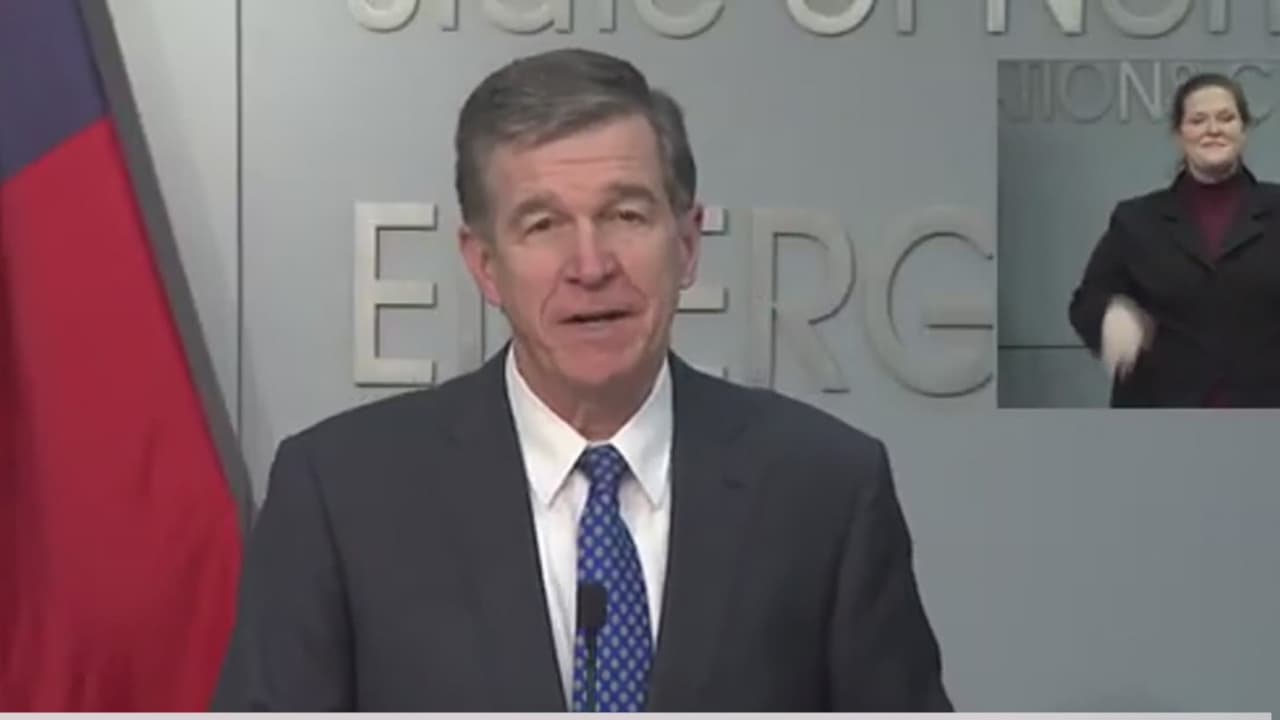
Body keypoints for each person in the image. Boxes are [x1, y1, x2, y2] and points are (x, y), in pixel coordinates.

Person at [212, 48, 951, 712]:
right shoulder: (343, 495)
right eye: (543, 225)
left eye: (625, 215)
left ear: (687, 243)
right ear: (485, 264)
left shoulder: (824, 489)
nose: (591, 266)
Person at [1068, 72, 1280, 408]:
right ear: (1179, 134)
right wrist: (1111, 314)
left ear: (1244, 130)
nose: (1213, 129)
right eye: (1198, 120)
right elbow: (1087, 301)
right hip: (1161, 408)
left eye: (1226, 118)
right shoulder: (1136, 220)